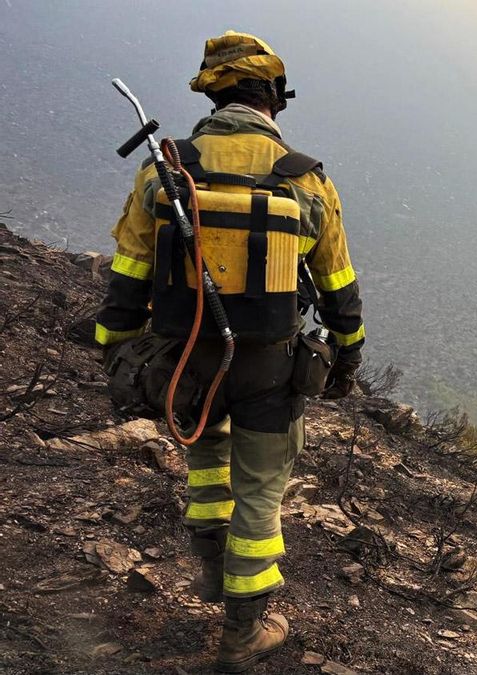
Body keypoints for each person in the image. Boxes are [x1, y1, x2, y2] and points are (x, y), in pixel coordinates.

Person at [94, 31, 364, 672]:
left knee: (208, 465)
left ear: (211, 94)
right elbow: (339, 292)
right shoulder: (304, 179)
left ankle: (212, 579)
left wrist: (118, 352)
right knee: (261, 494)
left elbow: (128, 274)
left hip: (187, 361)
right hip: (271, 370)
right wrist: (346, 362)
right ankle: (244, 631)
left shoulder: (166, 168)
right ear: (274, 98)